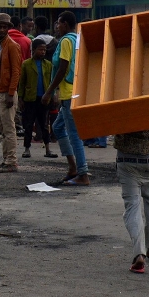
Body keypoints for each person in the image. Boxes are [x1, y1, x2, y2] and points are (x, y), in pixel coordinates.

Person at [43, 11, 91, 184]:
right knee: (57, 127)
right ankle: (73, 166)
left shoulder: (65, 41)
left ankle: (83, 173)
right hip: (74, 91)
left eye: (58, 23)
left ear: (64, 24)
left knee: (74, 134)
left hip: (69, 93)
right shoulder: (76, 39)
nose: (56, 27)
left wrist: (49, 91)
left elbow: (63, 68)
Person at [114, 129, 149, 274]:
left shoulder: (119, 105)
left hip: (125, 158)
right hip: (148, 158)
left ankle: (139, 254)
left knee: (132, 206)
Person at [0, 13, 22, 173]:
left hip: (7, 92)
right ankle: (6, 159)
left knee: (9, 129)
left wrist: (10, 92)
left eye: (4, 27)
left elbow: (16, 71)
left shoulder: (12, 46)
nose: (1, 29)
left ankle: (11, 161)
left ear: (9, 28)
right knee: (3, 129)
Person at [19, 38, 57, 160]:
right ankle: (26, 149)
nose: (43, 52)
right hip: (30, 98)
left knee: (44, 124)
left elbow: (52, 82)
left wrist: (52, 95)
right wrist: (20, 98)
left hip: (43, 99)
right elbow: (22, 83)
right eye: (40, 49)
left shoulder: (48, 65)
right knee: (28, 125)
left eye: (44, 50)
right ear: (33, 50)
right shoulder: (26, 64)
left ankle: (47, 148)